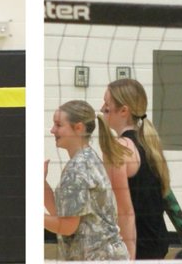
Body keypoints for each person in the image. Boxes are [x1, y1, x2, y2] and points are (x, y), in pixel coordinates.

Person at [101, 79, 182, 260]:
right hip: (157, 242)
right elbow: (167, 195)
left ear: (123, 110)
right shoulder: (148, 144)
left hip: (137, 247)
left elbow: (126, 213)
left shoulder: (120, 149)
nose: (102, 108)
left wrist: (128, 258)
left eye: (107, 104)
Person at [45, 101, 130, 261]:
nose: (52, 130)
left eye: (58, 125)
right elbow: (61, 214)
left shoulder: (79, 168)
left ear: (78, 128)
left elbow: (68, 227)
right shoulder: (85, 159)